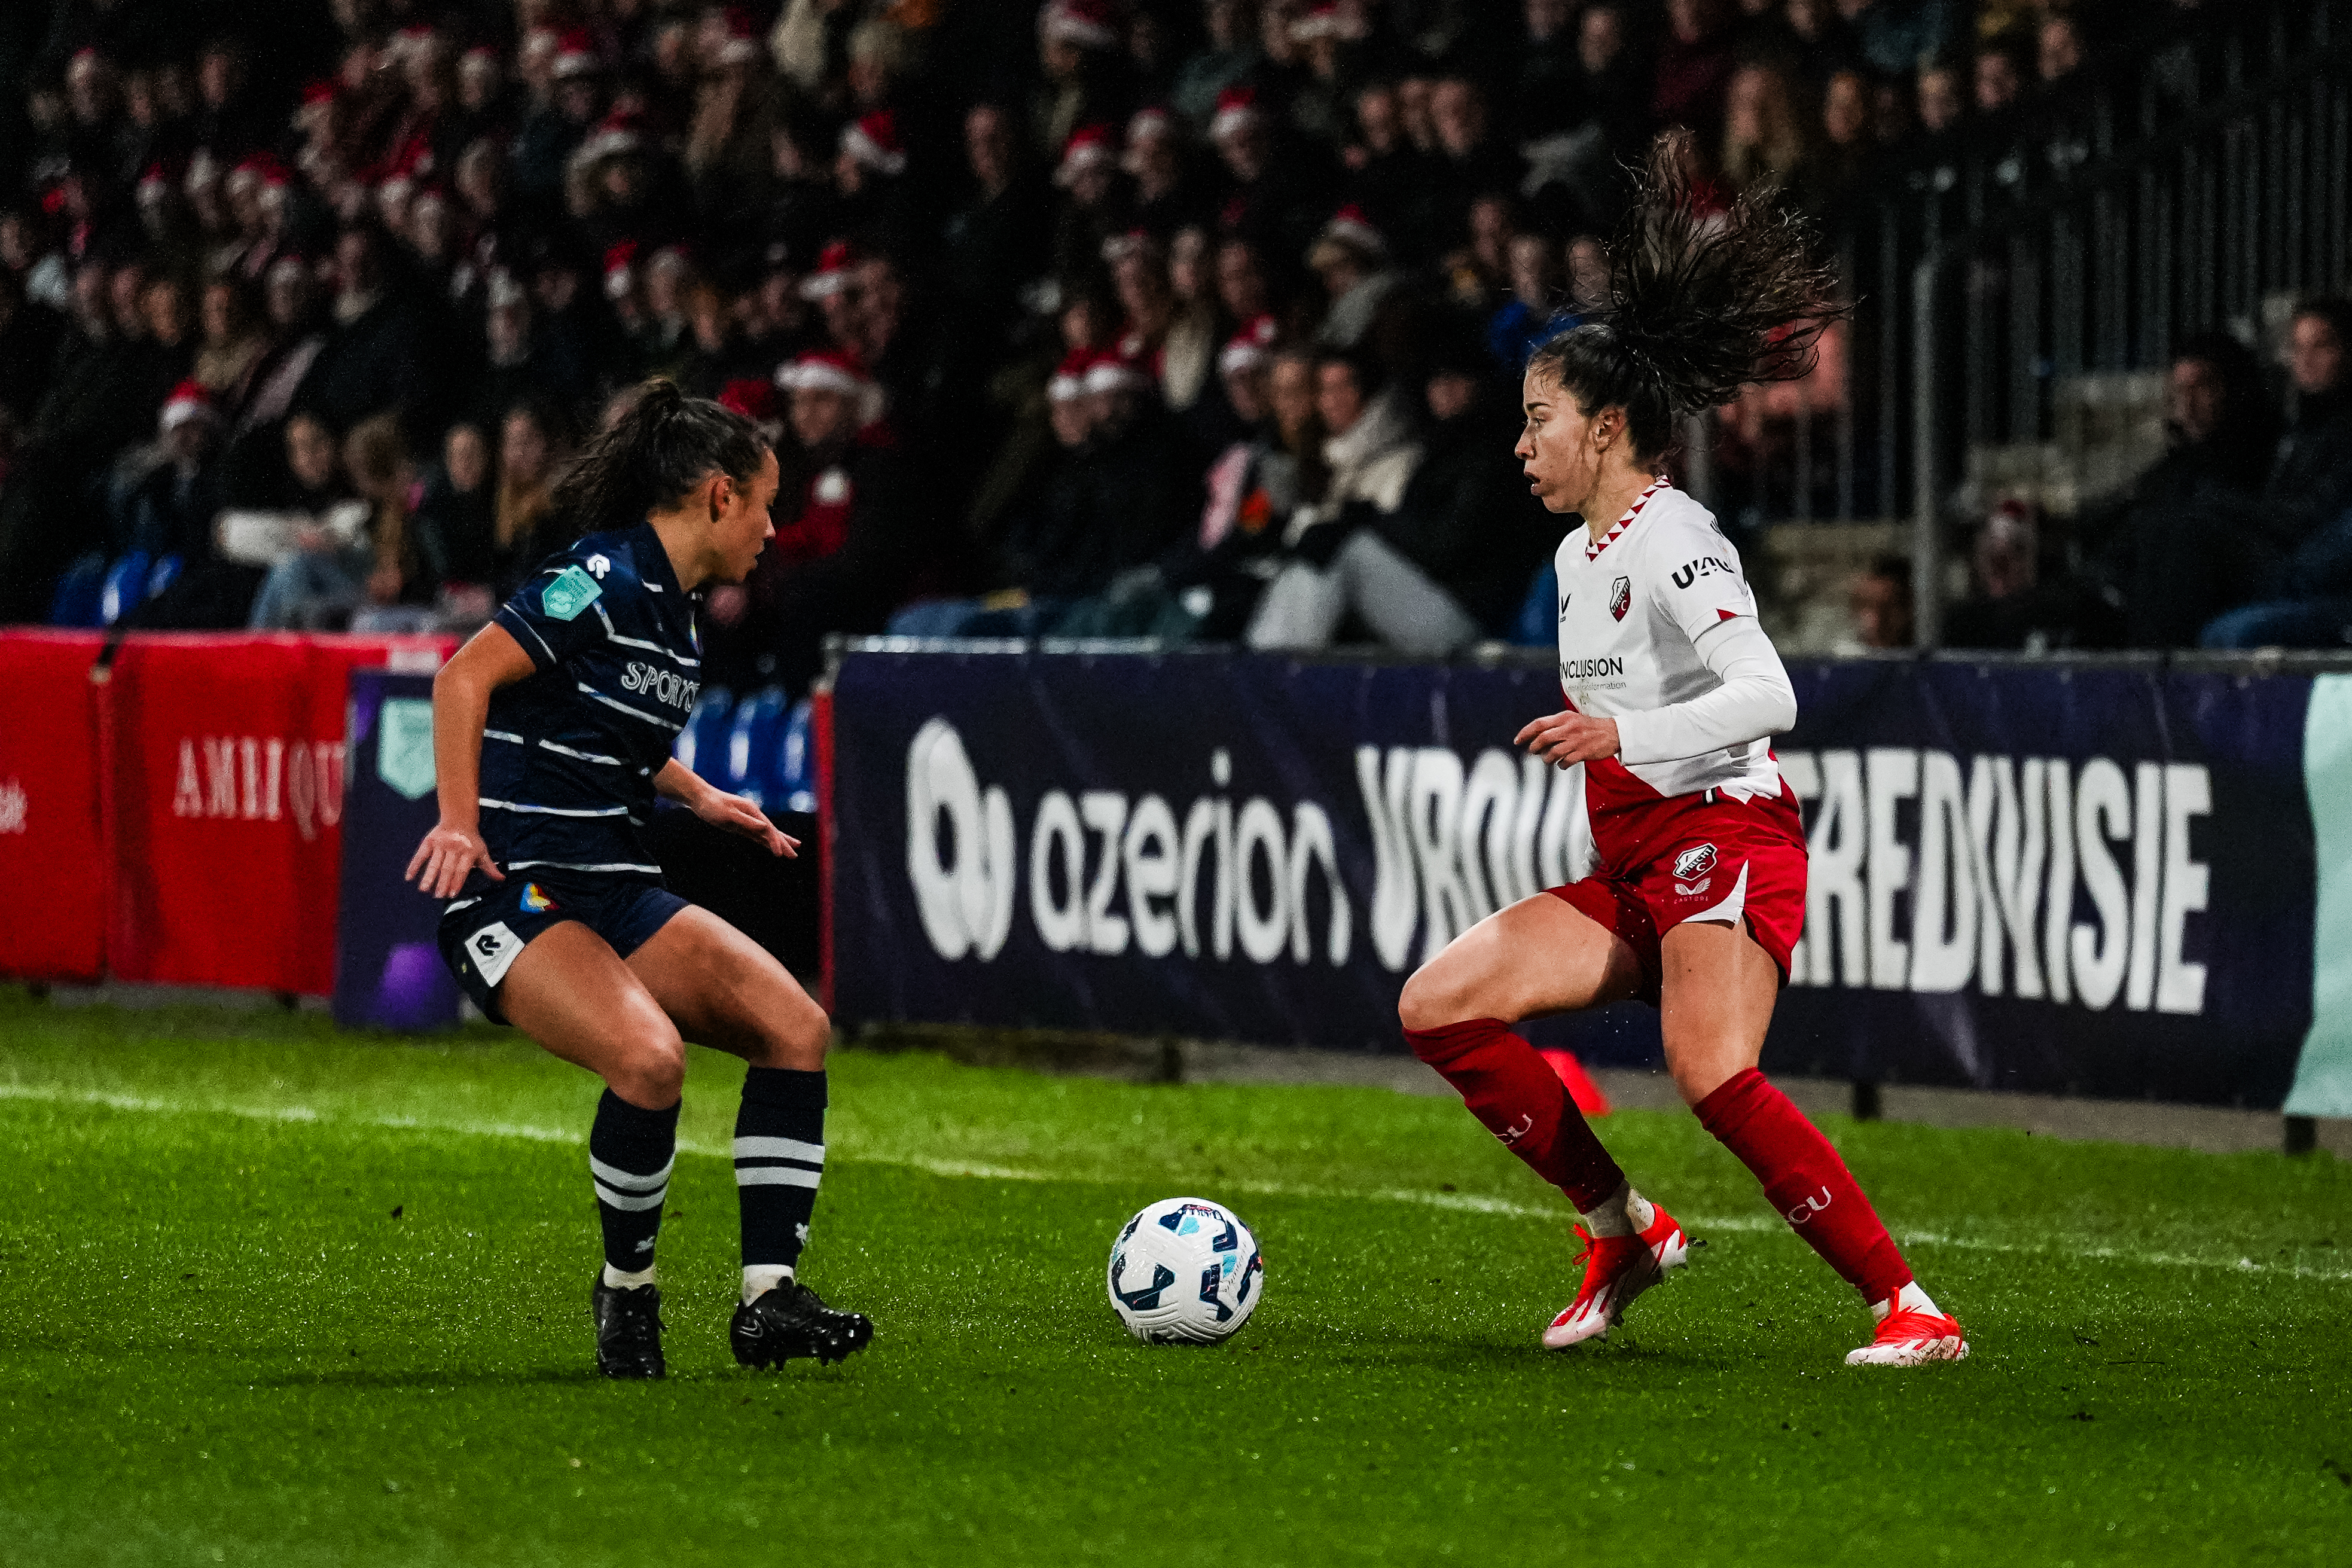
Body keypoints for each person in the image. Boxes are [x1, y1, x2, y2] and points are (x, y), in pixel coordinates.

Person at [1395, 132, 1967, 1368]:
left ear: (1605, 430)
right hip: (1637, 856)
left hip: (1724, 839)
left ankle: (1908, 1308)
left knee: (1709, 1073)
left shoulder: (1672, 537)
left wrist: (1624, 733)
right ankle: (1621, 1227)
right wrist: (1619, 755)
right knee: (1438, 1005)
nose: (1520, 443)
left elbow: (1767, 694)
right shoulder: (1573, 554)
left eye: (1537, 419)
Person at [405, 380, 873, 1380]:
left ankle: (768, 1300)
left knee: (795, 1028)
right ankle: (626, 1295)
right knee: (651, 1062)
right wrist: (456, 818)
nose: (773, 526)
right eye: (764, 503)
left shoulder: (677, 614)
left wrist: (697, 792)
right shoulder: (600, 576)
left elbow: (597, 724)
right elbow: (465, 677)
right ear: (716, 496)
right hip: (519, 890)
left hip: (615, 886)